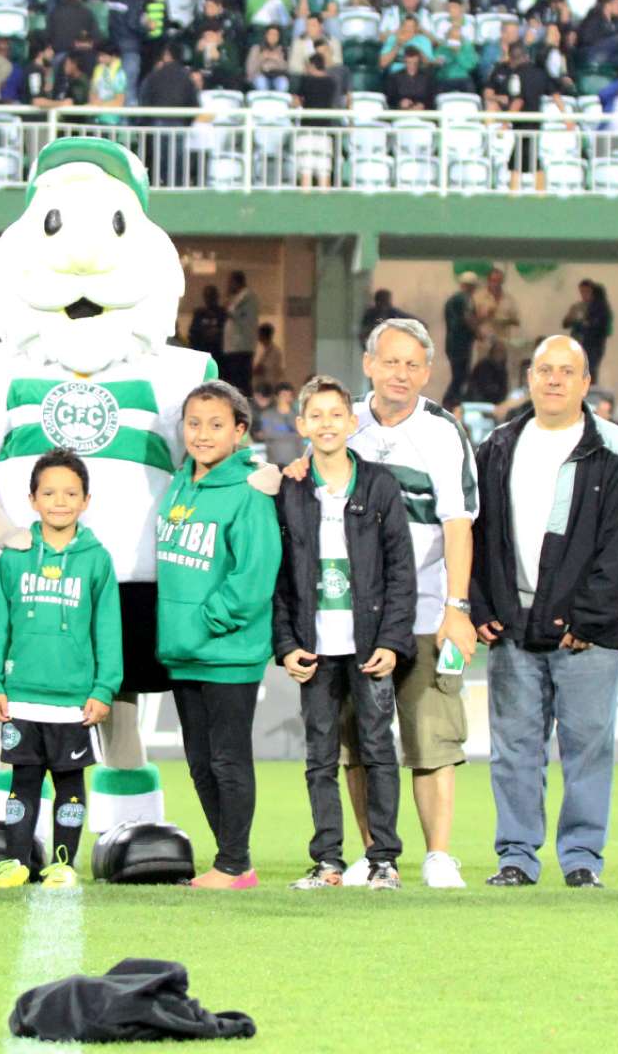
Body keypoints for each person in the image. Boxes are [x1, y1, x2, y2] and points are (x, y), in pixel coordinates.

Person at [305, 317, 478, 889]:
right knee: (359, 741)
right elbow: (301, 483)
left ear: (427, 373)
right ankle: (373, 852)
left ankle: (438, 854)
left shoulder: (443, 432)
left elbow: (458, 524)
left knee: (430, 736)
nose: (401, 373)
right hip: (350, 618)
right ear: (369, 364)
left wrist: (458, 606)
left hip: (427, 609)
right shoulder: (342, 424)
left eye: (413, 364)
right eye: (391, 361)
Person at [472, 336, 618, 889]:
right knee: (513, 750)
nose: (553, 380)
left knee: (587, 748)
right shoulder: (498, 445)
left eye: (566, 371)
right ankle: (517, 856)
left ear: (585, 382)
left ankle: (581, 859)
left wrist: (587, 620)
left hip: (585, 636)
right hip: (512, 626)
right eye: (544, 370)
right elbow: (474, 534)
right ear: (528, 378)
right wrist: (480, 604)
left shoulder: (613, 447)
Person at [274, 376, 416, 891]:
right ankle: (328, 862)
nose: (328, 423)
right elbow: (278, 576)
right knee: (319, 759)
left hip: (368, 647)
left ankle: (384, 860)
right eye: (317, 415)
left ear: (353, 423)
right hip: (314, 651)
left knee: (379, 750)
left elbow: (402, 569)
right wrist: (286, 646)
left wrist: (393, 641)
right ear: (302, 425)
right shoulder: (288, 488)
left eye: (337, 414)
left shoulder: (379, 484)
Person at [155, 381, 282, 889]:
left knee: (228, 759)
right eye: (193, 423)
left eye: (215, 425)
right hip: (183, 651)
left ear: (239, 432)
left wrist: (208, 620)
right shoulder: (178, 483)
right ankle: (229, 860)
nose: (202, 434)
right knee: (200, 763)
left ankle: (235, 864)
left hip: (227, 650)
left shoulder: (249, 490)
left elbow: (254, 575)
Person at [0, 449, 121, 888]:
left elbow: (108, 629)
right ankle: (16, 862)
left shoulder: (97, 559)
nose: (60, 501)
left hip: (73, 701)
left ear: (86, 500)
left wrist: (103, 688)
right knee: (22, 783)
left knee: (70, 785)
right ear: (32, 500)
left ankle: (62, 863)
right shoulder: (15, 556)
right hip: (21, 695)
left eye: (70, 493)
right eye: (49, 492)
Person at [562, 280, 613, 383]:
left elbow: (603, 328)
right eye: (582, 291)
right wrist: (572, 318)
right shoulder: (577, 307)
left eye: (586, 291)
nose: (584, 294)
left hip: (593, 346)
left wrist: (586, 324)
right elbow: (565, 324)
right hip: (577, 345)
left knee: (590, 371)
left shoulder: (600, 308)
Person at [442, 270, 478, 409]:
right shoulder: (465, 299)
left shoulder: (452, 299)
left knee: (458, 375)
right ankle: (450, 402)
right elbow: (468, 318)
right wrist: (479, 333)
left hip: (452, 342)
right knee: (460, 376)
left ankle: (451, 402)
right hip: (461, 343)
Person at [221, 271, 258, 396]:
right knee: (234, 381)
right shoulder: (237, 297)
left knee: (241, 381)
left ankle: (245, 406)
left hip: (241, 346)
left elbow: (238, 315)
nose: (228, 286)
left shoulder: (247, 297)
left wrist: (228, 306)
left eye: (230, 282)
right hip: (233, 347)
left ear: (237, 282)